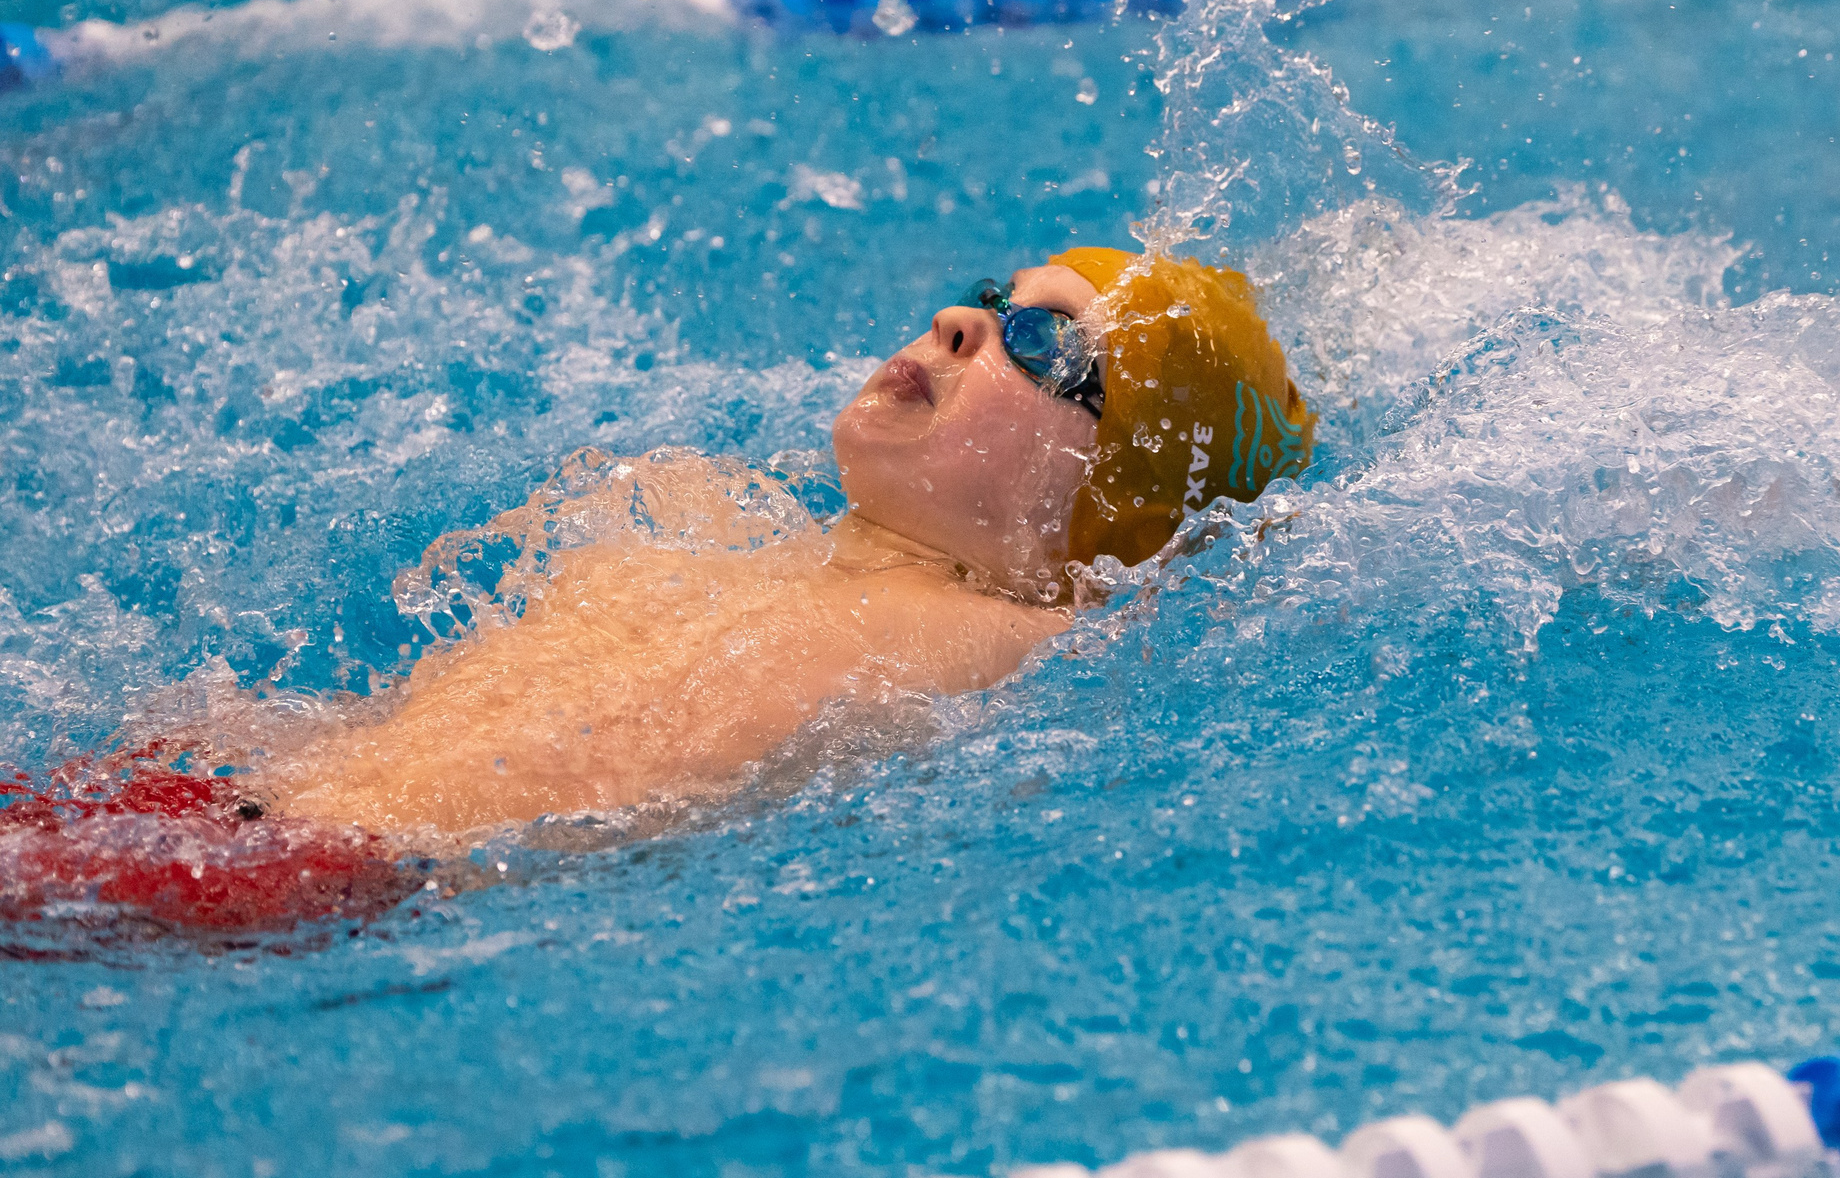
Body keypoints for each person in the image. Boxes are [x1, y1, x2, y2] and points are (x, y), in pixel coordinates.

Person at [0, 246, 1316, 938]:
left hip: (301, 882)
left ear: (1112, 504)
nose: (963, 325)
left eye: (1045, 344)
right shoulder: (755, 533)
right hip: (207, 805)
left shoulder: (1014, 631)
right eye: (989, 297)